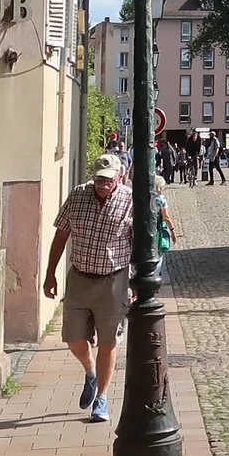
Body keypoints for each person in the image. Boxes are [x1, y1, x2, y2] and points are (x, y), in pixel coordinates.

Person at [44, 153, 133, 423]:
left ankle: (102, 400)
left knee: (108, 342)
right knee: (73, 339)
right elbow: (61, 234)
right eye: (98, 179)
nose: (102, 184)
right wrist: (50, 273)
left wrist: (136, 280)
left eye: (107, 180)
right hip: (80, 276)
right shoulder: (78, 195)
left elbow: (141, 243)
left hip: (114, 279)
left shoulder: (130, 200)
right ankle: (90, 371)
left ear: (119, 177)